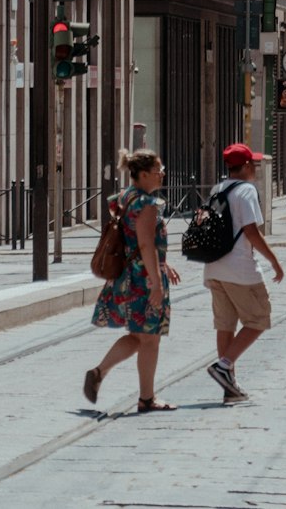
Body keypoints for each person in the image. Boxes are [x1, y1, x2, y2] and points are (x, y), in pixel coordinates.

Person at [84, 147, 180, 412]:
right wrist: (158, 283)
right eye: (158, 170)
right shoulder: (147, 204)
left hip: (128, 276)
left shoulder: (126, 197)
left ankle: (99, 372)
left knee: (139, 336)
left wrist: (164, 263)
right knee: (150, 338)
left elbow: (136, 241)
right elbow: (147, 245)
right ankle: (146, 399)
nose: (162, 174)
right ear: (145, 173)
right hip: (144, 280)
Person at [204, 142, 284, 403]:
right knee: (259, 318)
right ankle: (224, 365)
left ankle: (230, 388)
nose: (256, 169)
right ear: (247, 165)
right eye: (255, 165)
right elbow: (251, 231)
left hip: (214, 267)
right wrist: (273, 260)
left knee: (225, 326)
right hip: (240, 269)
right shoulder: (246, 191)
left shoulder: (218, 189)